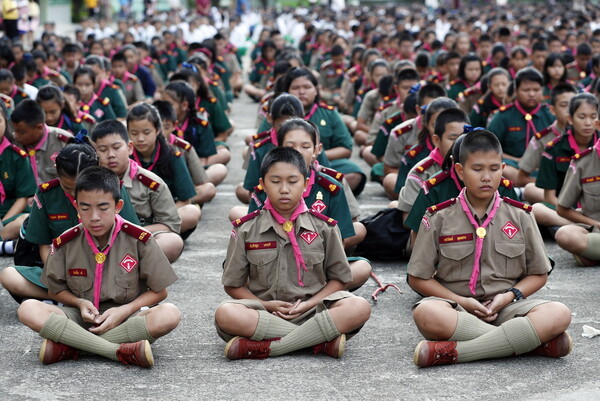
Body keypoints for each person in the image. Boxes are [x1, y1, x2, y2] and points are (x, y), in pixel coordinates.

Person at [407, 130, 572, 368]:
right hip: (458, 310)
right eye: (478, 169)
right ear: (461, 171)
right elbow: (417, 278)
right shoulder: (438, 217)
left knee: (559, 312)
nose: (487, 177)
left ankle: (459, 352)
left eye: (494, 169)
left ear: (503, 169)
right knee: (426, 313)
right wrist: (461, 301)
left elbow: (539, 274)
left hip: (509, 308)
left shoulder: (521, 216)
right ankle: (530, 343)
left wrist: (507, 297)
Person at [215, 147, 371, 360]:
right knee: (225, 314)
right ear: (262, 184)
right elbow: (233, 285)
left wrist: (309, 304)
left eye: (293, 181)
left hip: (313, 311)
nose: (284, 189)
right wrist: (266, 305)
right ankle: (318, 342)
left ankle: (272, 347)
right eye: (275, 181)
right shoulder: (245, 229)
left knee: (359, 306)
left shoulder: (325, 228)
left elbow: (339, 280)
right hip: (264, 313)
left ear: (306, 184)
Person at [16, 166, 180, 368]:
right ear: (76, 207)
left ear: (118, 206)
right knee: (28, 309)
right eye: (85, 208)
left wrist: (125, 310)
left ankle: (72, 346)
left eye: (103, 208)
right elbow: (55, 290)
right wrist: (79, 303)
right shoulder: (65, 242)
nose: (94, 216)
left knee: (169, 314)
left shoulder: (139, 239)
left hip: (126, 318)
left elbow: (160, 292)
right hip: (79, 318)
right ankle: (116, 350)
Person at [0, 136, 140, 303]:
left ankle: (64, 301)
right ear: (56, 171)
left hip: (108, 269)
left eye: (82, 187)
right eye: (68, 188)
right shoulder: (47, 194)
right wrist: (56, 277)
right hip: (65, 272)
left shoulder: (114, 190)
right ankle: (69, 299)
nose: (76, 195)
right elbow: (44, 245)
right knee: (9, 276)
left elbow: (132, 239)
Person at [248, 118, 370, 290]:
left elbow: (339, 240)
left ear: (316, 150)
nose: (298, 152)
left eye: (305, 146)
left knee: (362, 267)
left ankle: (317, 293)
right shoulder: (264, 189)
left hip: (317, 265)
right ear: (279, 149)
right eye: (291, 146)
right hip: (273, 265)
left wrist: (330, 271)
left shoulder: (332, 187)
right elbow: (253, 239)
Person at [92, 120, 184, 263]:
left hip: (136, 242)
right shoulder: (89, 182)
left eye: (116, 147)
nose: (110, 155)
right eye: (103, 150)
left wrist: (131, 233)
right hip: (97, 244)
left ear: (129, 147)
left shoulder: (151, 183)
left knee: (172, 241)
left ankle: (130, 269)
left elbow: (169, 225)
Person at [126, 103, 201, 239]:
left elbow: (185, 201)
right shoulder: (125, 156)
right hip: (134, 220)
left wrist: (160, 219)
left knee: (192, 212)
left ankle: (140, 237)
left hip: (164, 218)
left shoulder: (172, 155)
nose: (140, 138)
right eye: (134, 133)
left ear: (158, 130)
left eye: (146, 132)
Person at [487, 67, 555, 182]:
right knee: (503, 170)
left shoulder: (551, 114)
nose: (532, 94)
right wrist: (518, 160)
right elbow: (489, 148)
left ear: (542, 90)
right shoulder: (503, 116)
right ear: (516, 90)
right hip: (514, 166)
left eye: (536, 90)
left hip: (544, 166)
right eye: (526, 90)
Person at [517, 83, 577, 203]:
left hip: (587, 192)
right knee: (530, 190)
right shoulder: (543, 139)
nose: (570, 110)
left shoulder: (590, 133)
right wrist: (550, 184)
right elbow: (521, 178)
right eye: (564, 105)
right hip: (556, 195)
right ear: (552, 110)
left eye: (574, 105)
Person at [153, 99, 220, 198]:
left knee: (210, 185)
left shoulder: (182, 147)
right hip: (147, 200)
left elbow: (200, 181)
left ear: (174, 126)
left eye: (166, 127)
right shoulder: (140, 147)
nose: (162, 133)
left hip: (177, 198)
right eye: (158, 128)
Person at [11, 99, 73, 185]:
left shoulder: (64, 141)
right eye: (15, 131)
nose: (16, 136)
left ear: (39, 127)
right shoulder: (13, 143)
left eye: (21, 132)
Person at [0, 100, 35, 249]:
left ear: (5, 122)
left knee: (26, 220)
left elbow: (23, 198)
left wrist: (2, 224)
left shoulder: (17, 156)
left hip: (10, 216)